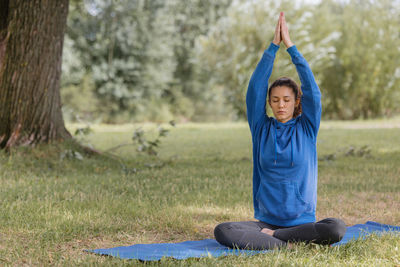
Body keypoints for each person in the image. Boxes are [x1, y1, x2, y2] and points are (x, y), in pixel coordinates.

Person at [214, 12, 346, 250]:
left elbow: (313, 92)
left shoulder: (307, 128)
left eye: (286, 99)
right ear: (270, 103)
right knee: (223, 230)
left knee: (335, 228)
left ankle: (273, 238)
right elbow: (254, 90)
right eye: (275, 100)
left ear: (297, 102)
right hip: (264, 221)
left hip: (302, 223)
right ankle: (286, 245)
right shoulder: (261, 128)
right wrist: (273, 47)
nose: (281, 105)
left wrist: (292, 48)